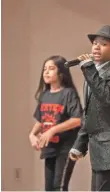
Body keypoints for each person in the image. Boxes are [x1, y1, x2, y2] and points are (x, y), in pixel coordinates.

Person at [69, 25, 110, 191]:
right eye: (95, 43)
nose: (96, 47)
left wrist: (89, 68)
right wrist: (80, 144)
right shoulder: (91, 74)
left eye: (104, 44)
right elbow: (90, 113)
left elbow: (107, 97)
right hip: (99, 147)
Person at [29, 55, 83, 191]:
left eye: (51, 68)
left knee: (59, 186)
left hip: (65, 148)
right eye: (44, 69)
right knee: (49, 188)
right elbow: (42, 120)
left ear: (60, 73)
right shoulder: (44, 95)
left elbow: (77, 119)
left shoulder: (68, 93)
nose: (46, 72)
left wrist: (52, 130)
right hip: (49, 148)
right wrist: (32, 135)